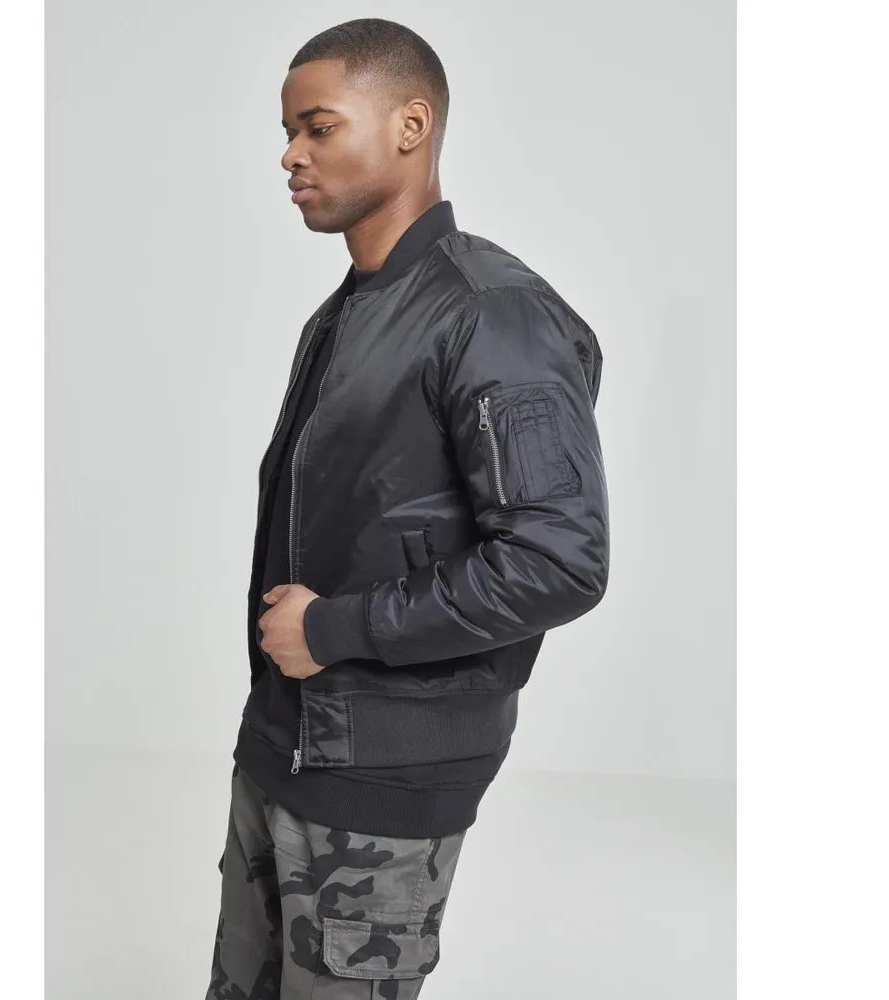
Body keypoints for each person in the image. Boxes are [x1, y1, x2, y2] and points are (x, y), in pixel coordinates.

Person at [204, 17, 609, 1000]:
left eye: (318, 127)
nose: (291, 155)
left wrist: (332, 629)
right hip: (282, 748)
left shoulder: (491, 314)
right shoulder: (348, 311)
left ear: (410, 125)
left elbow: (557, 562)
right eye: (288, 131)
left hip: (382, 780)